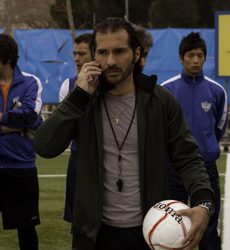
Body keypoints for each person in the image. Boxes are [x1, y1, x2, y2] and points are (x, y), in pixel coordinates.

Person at [34, 17, 215, 250]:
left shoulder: (160, 102)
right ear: (93, 56)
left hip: (149, 230)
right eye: (102, 52)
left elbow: (187, 156)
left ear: (137, 53)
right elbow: (44, 146)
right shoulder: (82, 100)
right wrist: (78, 97)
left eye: (120, 51)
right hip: (93, 234)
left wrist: (203, 202)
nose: (110, 61)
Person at [161, 32, 228, 250]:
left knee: (208, 226)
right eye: (190, 55)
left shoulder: (217, 91)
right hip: (174, 169)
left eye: (200, 55)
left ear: (205, 58)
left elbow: (219, 126)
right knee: (172, 225)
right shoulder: (166, 90)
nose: (196, 60)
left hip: (206, 168)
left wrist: (206, 147)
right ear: (181, 58)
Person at [0, 34, 42, 250]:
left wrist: (1, 118)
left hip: (21, 167)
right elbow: (25, 122)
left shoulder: (30, 82)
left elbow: (31, 116)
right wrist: (18, 126)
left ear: (6, 59)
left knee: (26, 228)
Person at [59, 33, 92, 223]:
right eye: (75, 54)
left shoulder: (111, 86)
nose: (77, 58)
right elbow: (65, 127)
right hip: (78, 160)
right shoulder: (68, 85)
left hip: (106, 161)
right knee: (78, 224)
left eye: (82, 54)